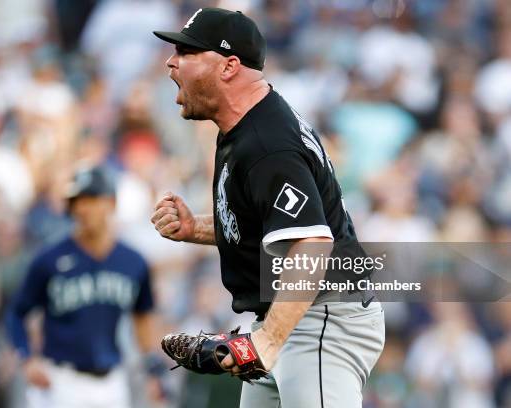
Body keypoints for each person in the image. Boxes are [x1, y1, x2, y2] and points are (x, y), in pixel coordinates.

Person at [151, 8, 385, 408]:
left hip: (320, 319)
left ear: (228, 67)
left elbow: (311, 244)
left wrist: (268, 341)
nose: (172, 62)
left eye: (187, 52)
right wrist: (198, 228)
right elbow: (272, 228)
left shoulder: (266, 143)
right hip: (292, 317)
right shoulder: (248, 126)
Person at [7, 165, 163, 408]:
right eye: (75, 201)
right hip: (60, 380)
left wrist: (153, 369)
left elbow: (143, 316)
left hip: (112, 382)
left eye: (90, 199)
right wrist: (27, 358)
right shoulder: (49, 259)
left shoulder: (133, 262)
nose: (81, 209)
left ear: (111, 203)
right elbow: (18, 312)